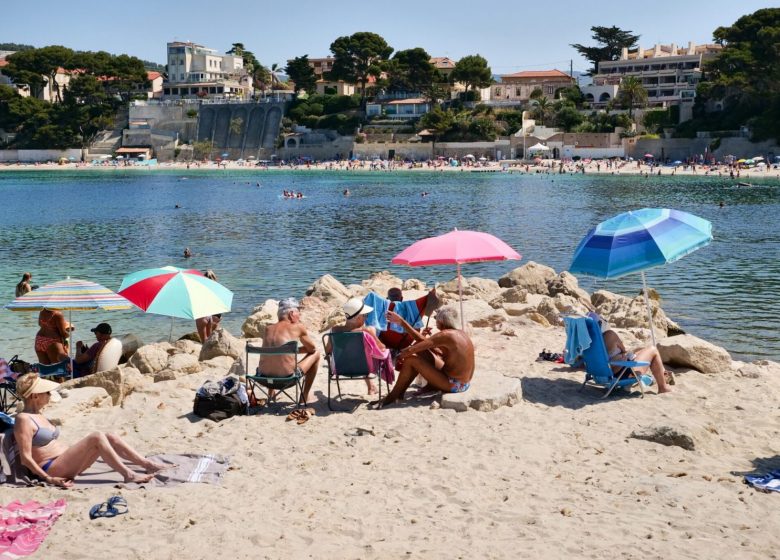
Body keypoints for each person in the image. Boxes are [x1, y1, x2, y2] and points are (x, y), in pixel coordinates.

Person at [13, 373, 168, 487]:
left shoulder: (38, 414)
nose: (49, 395)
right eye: (46, 392)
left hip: (69, 463)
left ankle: (147, 464)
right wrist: (49, 479)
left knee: (110, 436)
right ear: (34, 396)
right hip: (53, 468)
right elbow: (25, 458)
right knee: (96, 437)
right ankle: (129, 475)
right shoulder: (23, 420)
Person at [379, 306, 475, 407]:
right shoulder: (458, 333)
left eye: (436, 319)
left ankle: (393, 396)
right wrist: (402, 322)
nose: (435, 322)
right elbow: (424, 343)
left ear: (441, 322)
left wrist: (397, 356)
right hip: (464, 382)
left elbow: (411, 350)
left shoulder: (446, 335)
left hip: (455, 385)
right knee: (421, 351)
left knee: (411, 360)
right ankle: (401, 393)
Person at [258, 298, 320, 405]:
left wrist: (290, 350)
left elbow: (274, 350)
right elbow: (312, 349)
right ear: (291, 314)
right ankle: (304, 396)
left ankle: (271, 394)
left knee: (272, 353)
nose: (299, 315)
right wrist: (294, 350)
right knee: (316, 353)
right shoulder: (298, 327)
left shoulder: (268, 329)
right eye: (298, 312)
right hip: (287, 379)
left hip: (264, 378)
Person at [325, 297, 385, 395]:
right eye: (365, 315)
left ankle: (371, 387)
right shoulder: (366, 331)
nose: (366, 317)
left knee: (356, 353)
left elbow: (327, 350)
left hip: (340, 368)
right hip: (364, 368)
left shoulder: (334, 330)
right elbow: (382, 348)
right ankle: (371, 387)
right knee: (364, 353)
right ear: (358, 318)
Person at [601, 320, 673, 394]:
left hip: (606, 373)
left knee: (640, 351)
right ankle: (663, 387)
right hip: (622, 372)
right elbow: (623, 349)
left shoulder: (593, 342)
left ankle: (663, 375)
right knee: (653, 350)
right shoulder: (610, 335)